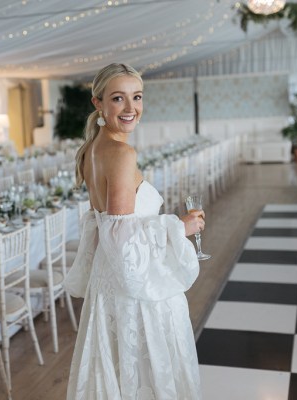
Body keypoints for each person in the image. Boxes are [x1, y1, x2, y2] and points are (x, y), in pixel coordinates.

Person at [64, 63, 205, 400]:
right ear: (98, 103)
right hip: (133, 290)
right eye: (118, 99)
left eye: (137, 97)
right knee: (145, 373)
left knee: (114, 369)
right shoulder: (122, 154)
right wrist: (178, 226)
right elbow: (122, 239)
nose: (131, 109)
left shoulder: (90, 151)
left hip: (106, 281)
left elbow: (105, 226)